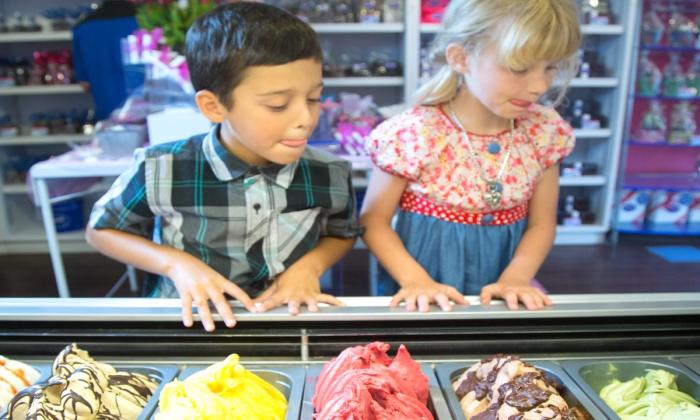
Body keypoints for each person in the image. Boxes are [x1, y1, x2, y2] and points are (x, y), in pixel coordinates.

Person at [86, 2, 362, 332]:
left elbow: (341, 233)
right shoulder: (161, 168)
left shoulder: (330, 172)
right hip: (189, 323)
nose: (306, 119)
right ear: (214, 106)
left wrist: (310, 267)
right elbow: (101, 230)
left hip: (288, 323)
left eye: (314, 98)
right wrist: (176, 264)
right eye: (278, 105)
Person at [360, 0, 581, 312]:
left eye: (550, 67)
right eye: (519, 68)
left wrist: (517, 277)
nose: (539, 86)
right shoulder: (413, 134)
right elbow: (373, 221)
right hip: (421, 295)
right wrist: (415, 281)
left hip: (504, 293)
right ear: (461, 58)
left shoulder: (544, 133)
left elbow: (542, 224)